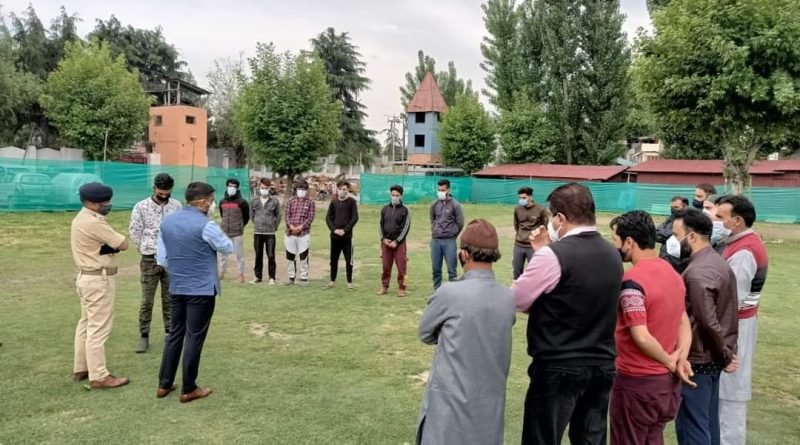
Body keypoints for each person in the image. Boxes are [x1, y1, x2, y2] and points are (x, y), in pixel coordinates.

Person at [513, 183, 623, 445]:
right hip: (601, 364)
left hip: (558, 365)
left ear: (560, 218)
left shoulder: (553, 255)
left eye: (553, 217)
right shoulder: (612, 254)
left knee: (542, 437)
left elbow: (516, 299)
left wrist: (543, 251)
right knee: (590, 438)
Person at [417, 219, 516, 445]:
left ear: (464, 254)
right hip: (489, 404)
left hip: (449, 405)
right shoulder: (508, 297)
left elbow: (425, 333)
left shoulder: (449, 293)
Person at [609, 210, 693, 445]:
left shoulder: (632, 282)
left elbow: (641, 336)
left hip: (637, 384)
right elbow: (683, 321)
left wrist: (670, 361)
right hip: (667, 388)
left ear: (629, 242)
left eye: (615, 240)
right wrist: (680, 357)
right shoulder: (672, 274)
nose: (614, 246)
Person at [156, 182, 234, 403]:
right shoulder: (206, 225)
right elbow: (227, 247)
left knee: (175, 334)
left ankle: (164, 383)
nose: (212, 204)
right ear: (203, 202)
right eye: (211, 200)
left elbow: (162, 258)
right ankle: (189, 387)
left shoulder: (167, 222)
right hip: (201, 289)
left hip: (177, 285)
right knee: (194, 337)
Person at [670, 208, 739, 445]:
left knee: (693, 427)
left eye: (676, 235)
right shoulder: (716, 262)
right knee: (708, 423)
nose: (673, 241)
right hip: (711, 357)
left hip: (698, 359)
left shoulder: (698, 273)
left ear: (691, 237)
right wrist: (725, 353)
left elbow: (707, 321)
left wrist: (725, 354)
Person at [715, 195, 768, 445]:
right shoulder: (737, 243)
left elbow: (731, 299)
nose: (715, 221)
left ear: (737, 221)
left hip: (736, 326)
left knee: (731, 392)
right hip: (735, 324)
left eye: (720, 217)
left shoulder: (745, 252)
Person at [70, 182, 130, 389]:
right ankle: (99, 376)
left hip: (85, 277)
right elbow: (123, 243)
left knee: (86, 324)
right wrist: (110, 246)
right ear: (92, 203)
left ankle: (81, 367)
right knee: (98, 329)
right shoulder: (94, 222)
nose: (107, 205)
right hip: (98, 279)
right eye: (104, 202)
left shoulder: (80, 218)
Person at [129, 173, 182, 353]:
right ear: (154, 189)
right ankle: (144, 335)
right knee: (147, 300)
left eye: (167, 193)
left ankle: (170, 334)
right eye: (161, 193)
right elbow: (135, 231)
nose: (164, 196)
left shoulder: (177, 206)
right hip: (149, 258)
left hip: (171, 259)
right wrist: (145, 248)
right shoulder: (141, 207)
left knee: (170, 299)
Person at [429, 179, 464, 289]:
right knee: (436, 269)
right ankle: (437, 291)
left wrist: (453, 234)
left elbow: (460, 223)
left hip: (449, 240)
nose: (440, 192)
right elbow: (432, 220)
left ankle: (452, 292)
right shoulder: (434, 204)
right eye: (439, 190)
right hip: (436, 241)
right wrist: (435, 230)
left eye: (443, 190)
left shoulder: (455, 205)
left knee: (452, 270)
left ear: (448, 190)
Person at [324, 180, 359, 290]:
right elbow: (328, 218)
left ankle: (349, 283)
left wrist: (345, 230)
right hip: (334, 237)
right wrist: (334, 230)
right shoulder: (333, 202)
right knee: (333, 259)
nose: (342, 191)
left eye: (344, 189)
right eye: (340, 189)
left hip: (347, 237)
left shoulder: (352, 202)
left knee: (349, 260)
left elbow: (355, 218)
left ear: (348, 190)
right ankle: (332, 281)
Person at [378, 185, 411, 297]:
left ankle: (402, 288)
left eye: (397, 195)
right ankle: (384, 286)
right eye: (393, 195)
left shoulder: (405, 210)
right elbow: (380, 225)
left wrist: (397, 241)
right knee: (385, 266)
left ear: (401, 196)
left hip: (399, 244)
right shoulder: (384, 209)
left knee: (402, 267)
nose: (395, 197)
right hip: (386, 243)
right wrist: (383, 239)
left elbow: (406, 227)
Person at [513, 186, 549, 280]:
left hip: (532, 246)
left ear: (530, 197)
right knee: (517, 271)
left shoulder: (540, 209)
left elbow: (544, 226)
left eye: (524, 198)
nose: (521, 200)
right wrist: (521, 235)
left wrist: (535, 238)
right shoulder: (517, 209)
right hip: (519, 245)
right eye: (520, 198)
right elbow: (516, 225)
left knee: (535, 272)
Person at [284, 179, 315, 286]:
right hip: (290, 233)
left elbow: (310, 217)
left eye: (304, 189)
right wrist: (291, 226)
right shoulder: (290, 201)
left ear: (306, 190)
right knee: (290, 256)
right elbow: (287, 215)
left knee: (303, 256)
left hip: (304, 233)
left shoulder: (310, 202)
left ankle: (304, 278)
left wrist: (301, 227)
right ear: (296, 189)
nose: (301, 191)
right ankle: (291, 278)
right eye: (299, 189)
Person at [250, 178, 281, 285]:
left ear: (269, 188)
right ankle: (258, 276)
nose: (264, 190)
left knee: (271, 255)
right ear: (259, 188)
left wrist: (274, 226)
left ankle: (272, 277)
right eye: (262, 188)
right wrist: (257, 223)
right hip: (258, 232)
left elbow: (278, 215)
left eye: (266, 188)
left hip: (270, 233)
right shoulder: (254, 201)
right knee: (258, 255)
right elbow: (252, 215)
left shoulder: (275, 201)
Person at [219, 178, 250, 283]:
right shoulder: (222, 201)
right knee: (223, 253)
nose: (232, 188)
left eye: (234, 186)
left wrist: (240, 226)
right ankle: (222, 272)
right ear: (227, 186)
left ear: (237, 188)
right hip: (224, 231)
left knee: (239, 255)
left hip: (237, 232)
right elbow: (222, 215)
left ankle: (241, 275)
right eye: (230, 186)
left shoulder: (242, 202)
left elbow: (246, 217)